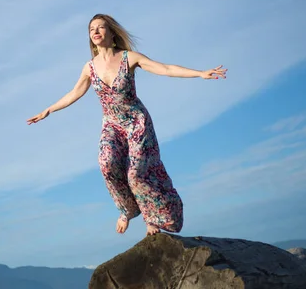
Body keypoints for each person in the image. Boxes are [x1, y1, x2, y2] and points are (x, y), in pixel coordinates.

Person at [27, 14, 227, 236]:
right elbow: (75, 92)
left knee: (136, 174)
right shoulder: (89, 68)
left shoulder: (128, 58)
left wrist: (200, 73)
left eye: (101, 27)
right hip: (112, 125)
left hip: (136, 123)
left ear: (111, 33)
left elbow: (166, 69)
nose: (96, 32)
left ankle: (153, 219)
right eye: (92, 29)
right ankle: (128, 209)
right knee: (106, 164)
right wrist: (49, 110)